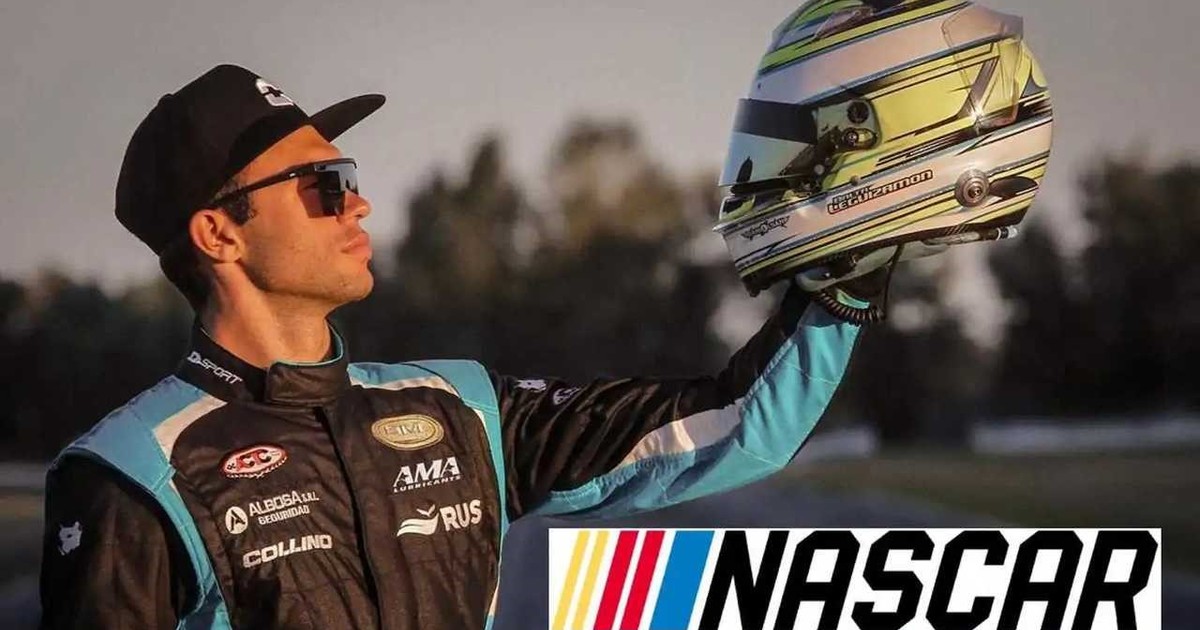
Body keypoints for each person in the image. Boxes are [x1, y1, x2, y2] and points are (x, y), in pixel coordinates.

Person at [37, 64, 877, 629]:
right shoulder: (128, 475)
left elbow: (741, 422)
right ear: (218, 234)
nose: (358, 205)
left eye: (351, 180)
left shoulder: (460, 408)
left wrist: (851, 262)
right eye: (325, 186)